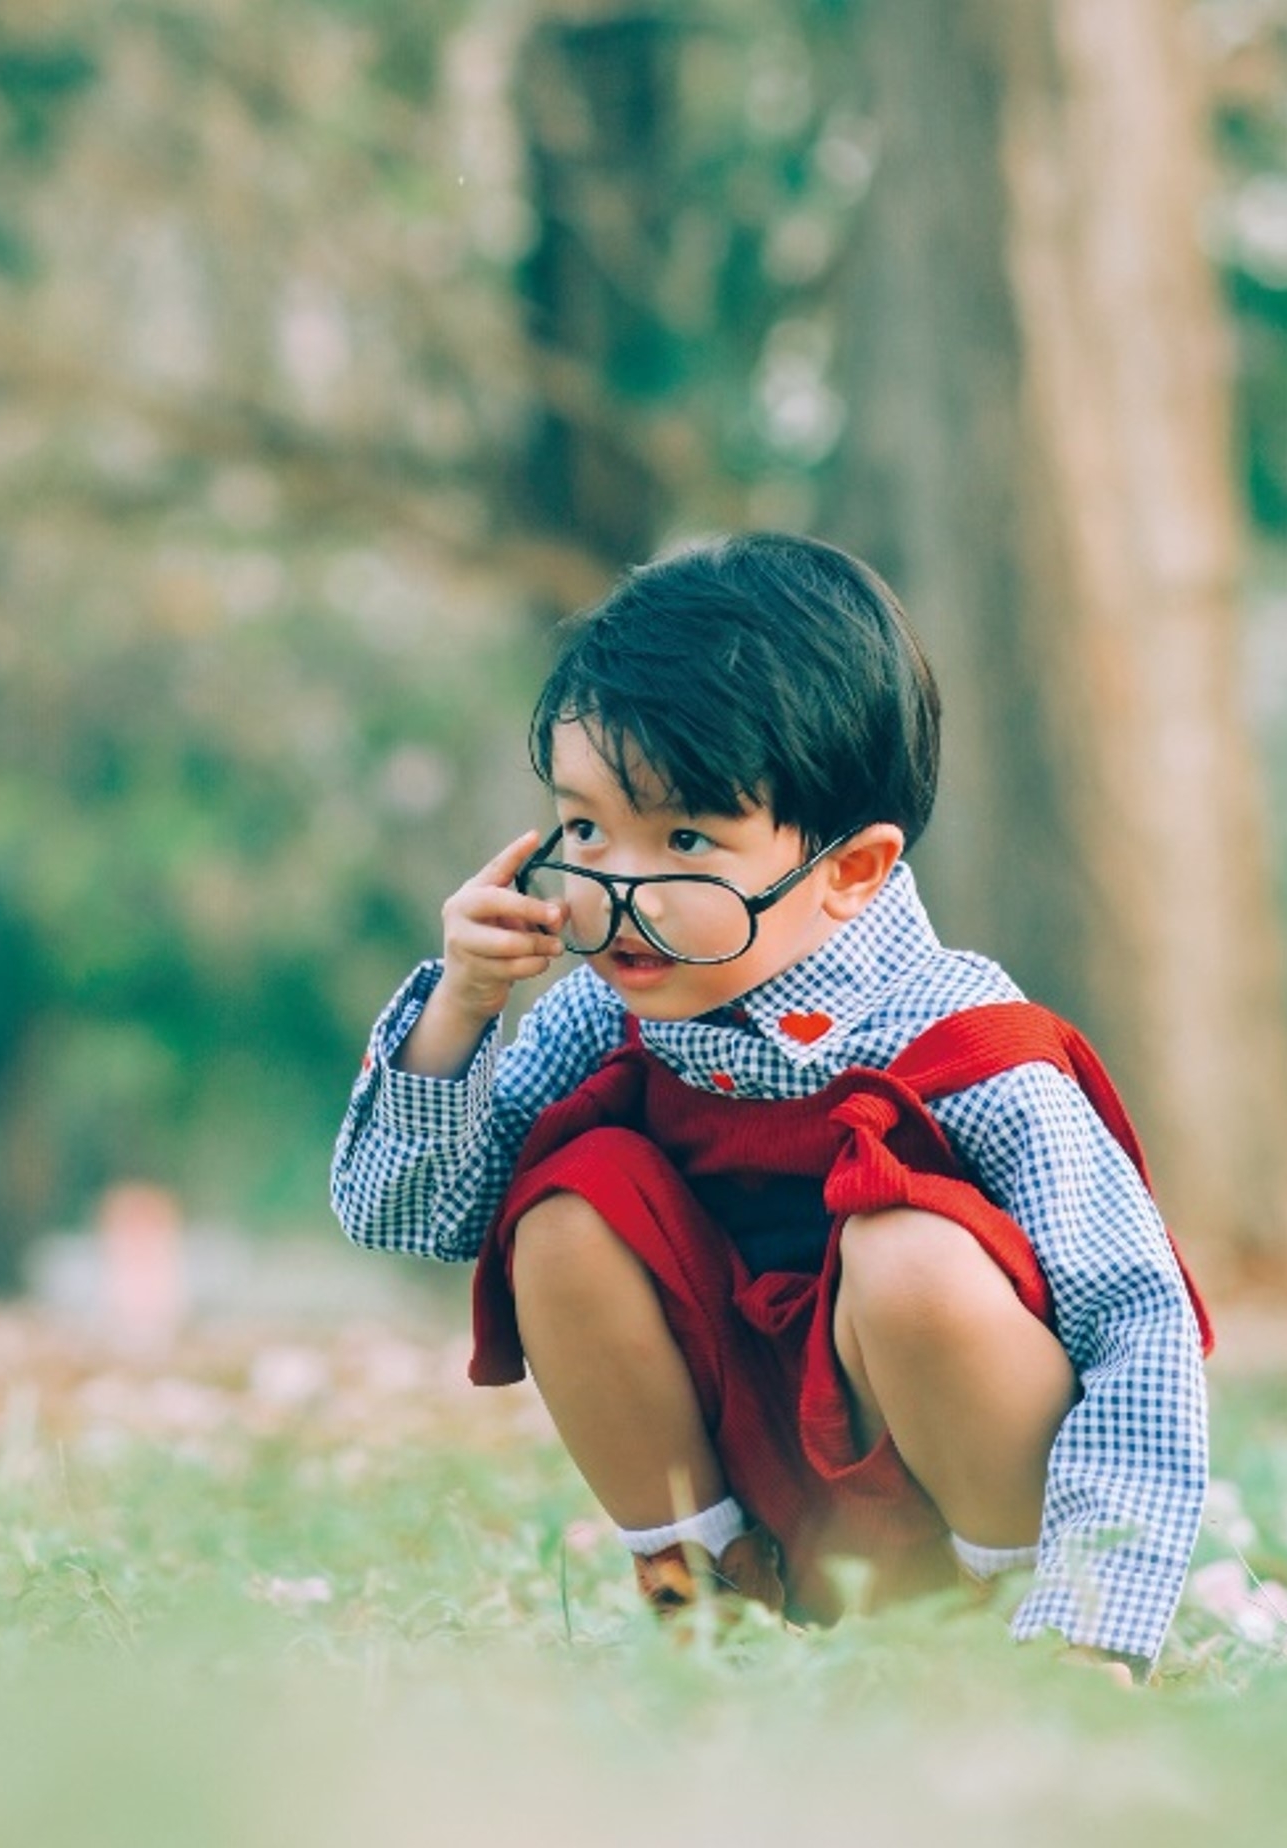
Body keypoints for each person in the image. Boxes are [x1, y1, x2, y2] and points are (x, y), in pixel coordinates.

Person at [329, 533, 1212, 1678]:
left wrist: (1100, 1611)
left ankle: (1024, 1642)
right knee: (560, 1213)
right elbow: (409, 1219)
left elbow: (1139, 1330)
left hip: (971, 1504)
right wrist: (460, 1008)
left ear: (849, 870)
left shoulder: (973, 1048)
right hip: (772, 1497)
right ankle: (708, 1600)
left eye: (685, 838)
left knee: (912, 1258)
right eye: (586, 829)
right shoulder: (610, 1016)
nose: (619, 891)